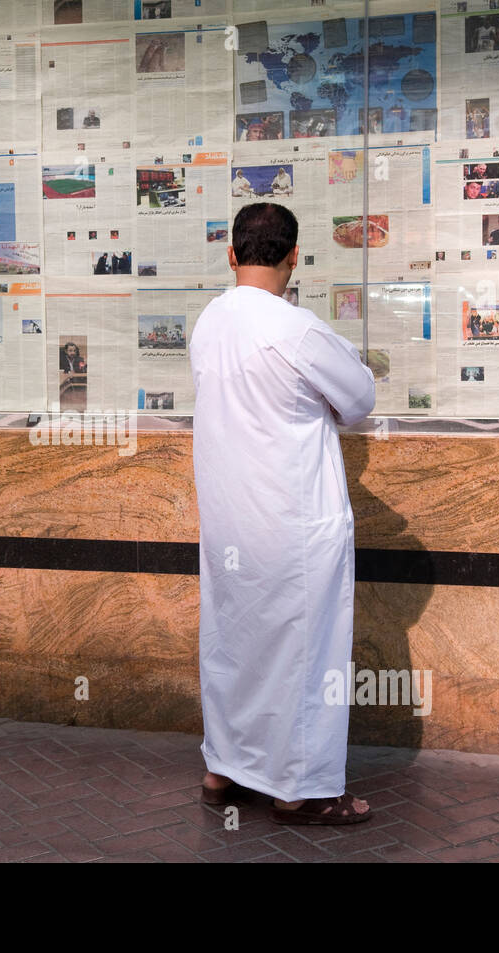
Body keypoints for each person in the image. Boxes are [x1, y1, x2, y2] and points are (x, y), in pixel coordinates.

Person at [190, 202, 376, 825]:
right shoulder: (296, 328)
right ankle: (297, 786)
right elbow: (359, 400)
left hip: (228, 519)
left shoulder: (209, 322)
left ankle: (224, 767)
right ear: (294, 256)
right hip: (292, 521)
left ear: (232, 253)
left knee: (231, 641)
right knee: (304, 650)